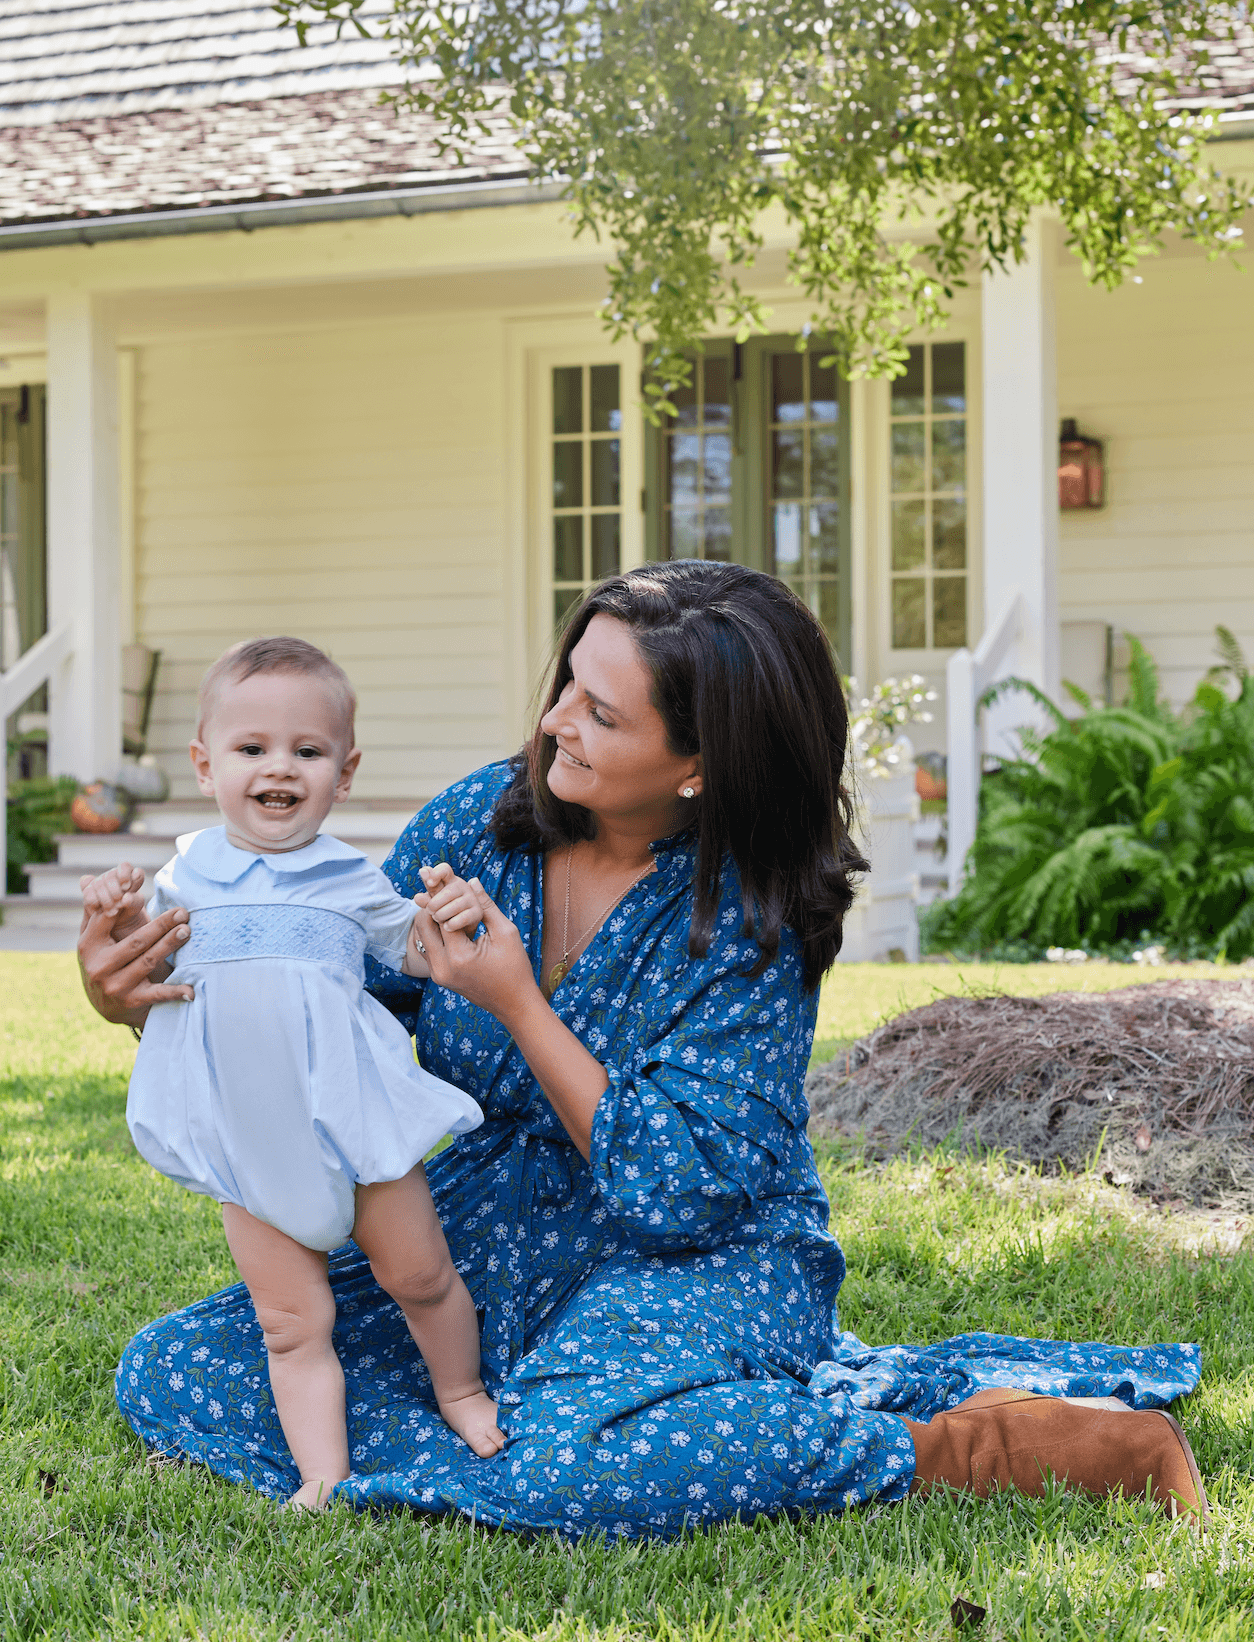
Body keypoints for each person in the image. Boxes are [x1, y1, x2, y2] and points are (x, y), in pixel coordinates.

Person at [81, 567, 1208, 1535]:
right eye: (569, 681)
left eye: (602, 714)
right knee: (177, 1372)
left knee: (581, 1459)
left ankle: (968, 1447)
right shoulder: (478, 819)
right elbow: (330, 1007)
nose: (559, 719)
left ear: (700, 766)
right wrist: (138, 997)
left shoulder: (752, 922)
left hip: (694, 1255)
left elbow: (676, 1193)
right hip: (478, 1234)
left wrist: (522, 1004)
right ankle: (536, 1427)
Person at [81, 636, 502, 1512]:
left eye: (307, 751)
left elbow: (421, 953)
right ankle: (323, 1475)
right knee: (290, 1321)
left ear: (344, 774)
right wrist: (119, 916)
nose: (280, 768)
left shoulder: (351, 877)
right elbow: (134, 964)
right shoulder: (183, 878)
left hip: (356, 1119)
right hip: (247, 1132)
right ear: (205, 765)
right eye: (252, 749)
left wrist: (449, 919)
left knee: (419, 1276)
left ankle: (461, 1393)